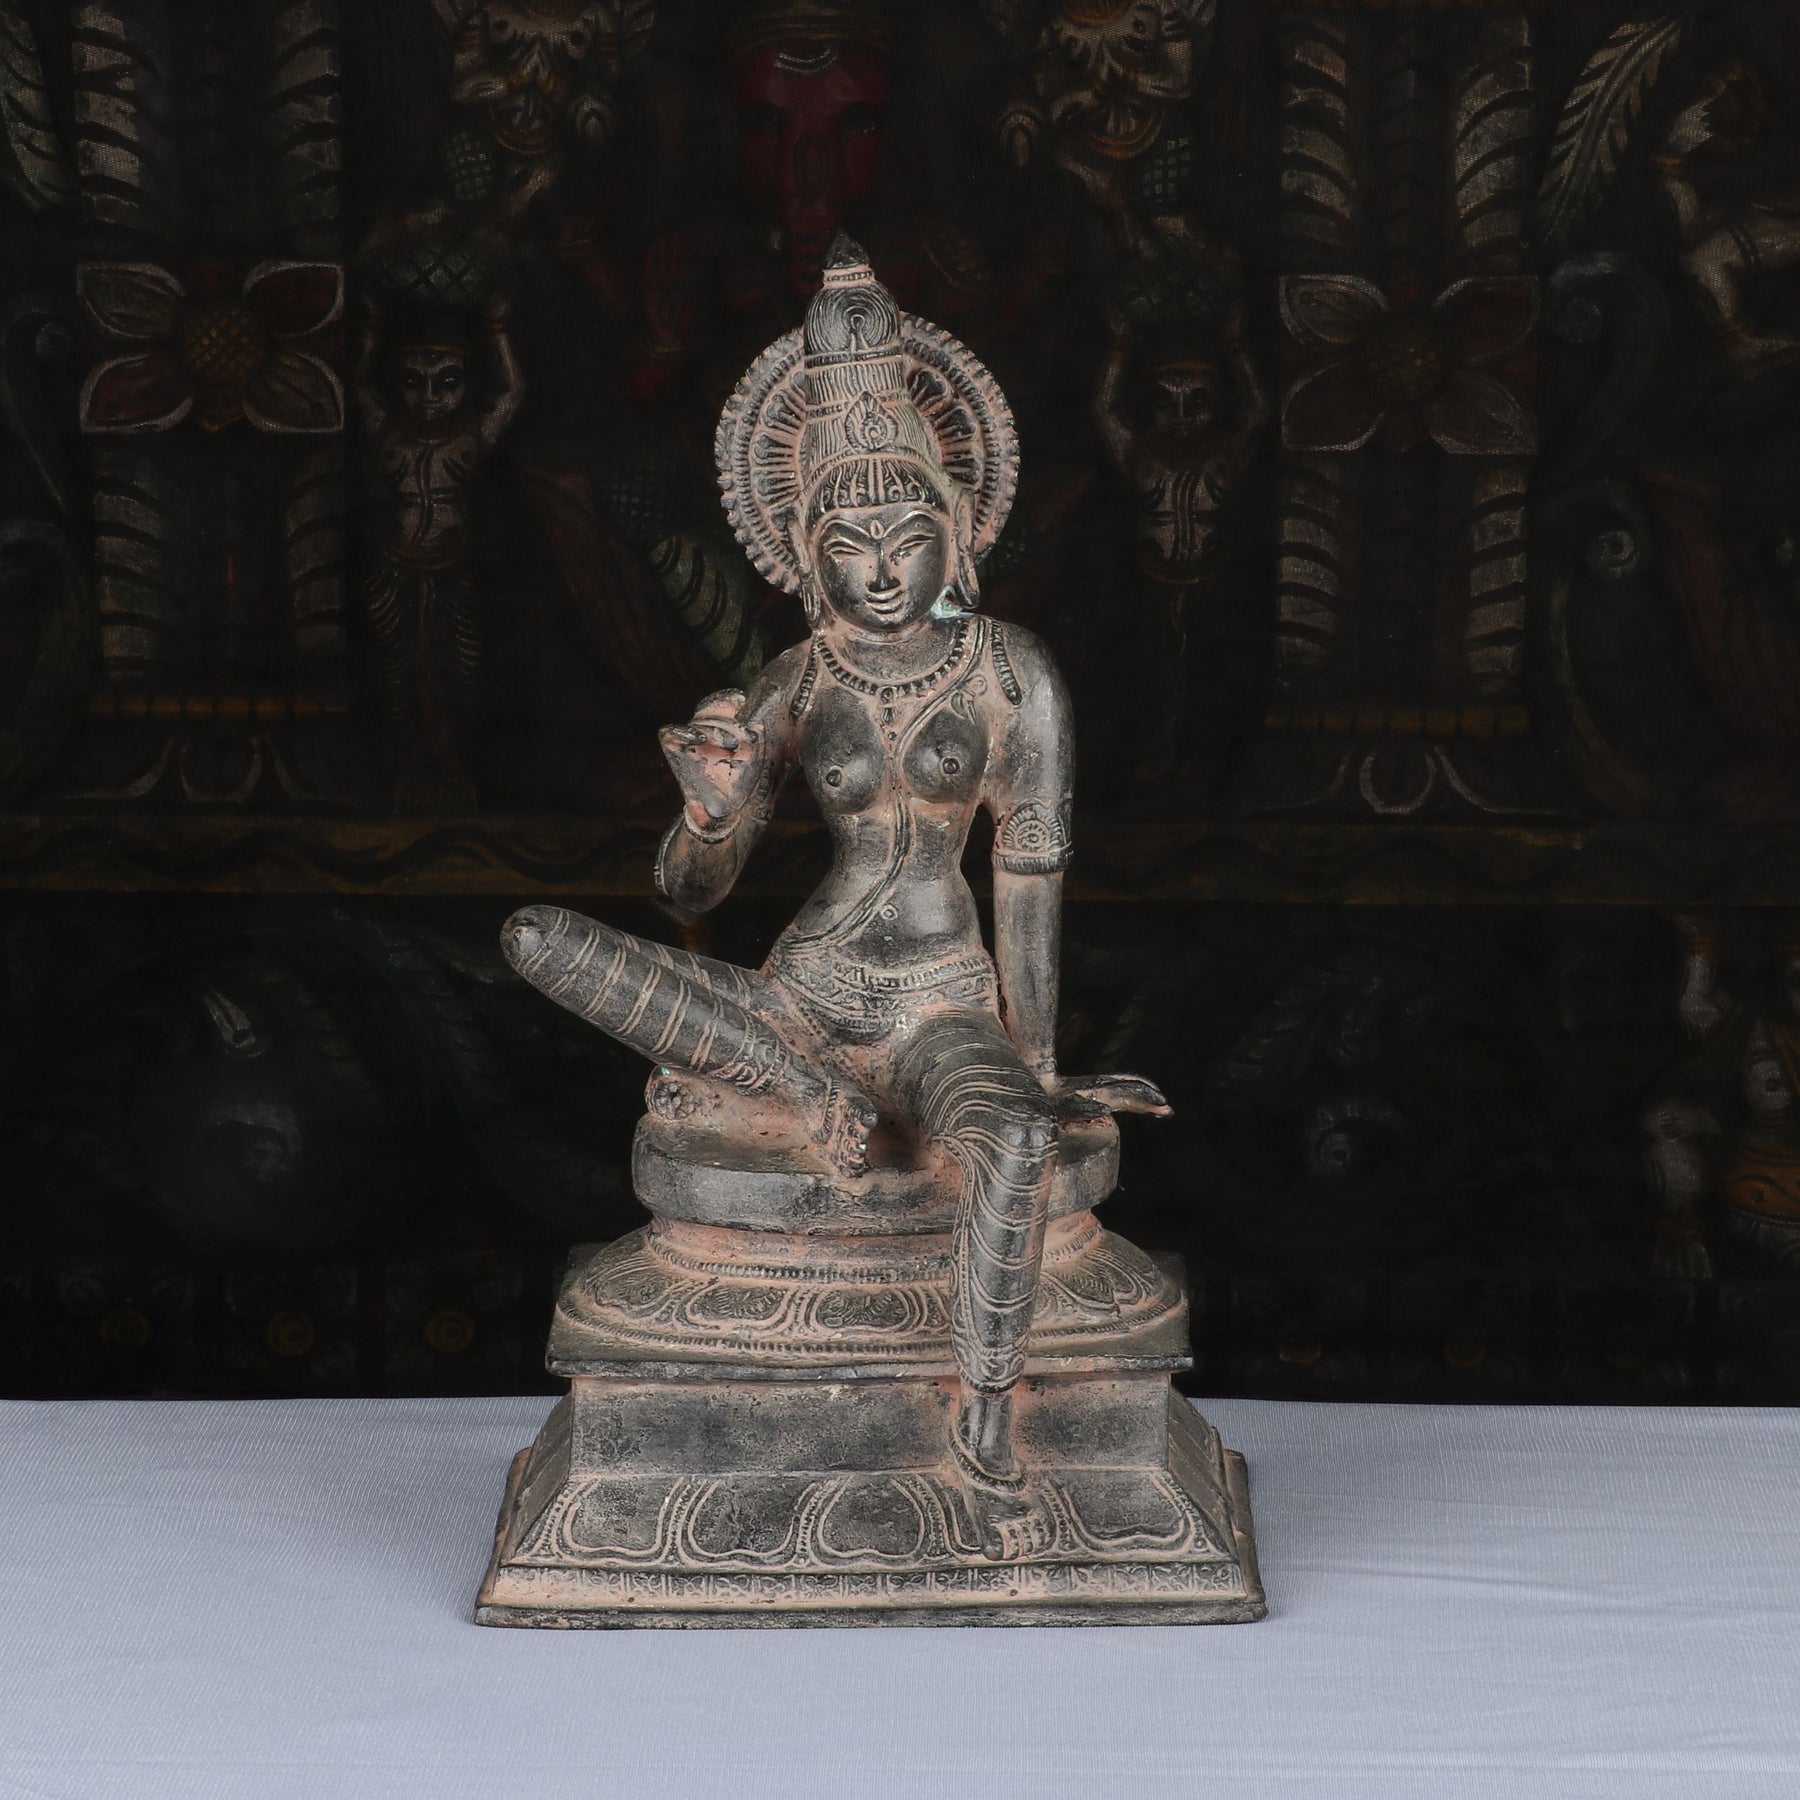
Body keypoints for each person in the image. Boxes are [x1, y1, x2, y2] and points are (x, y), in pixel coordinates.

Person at [502, 236, 1164, 1557]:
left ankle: (983, 1420)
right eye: (848, 545)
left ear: (956, 537)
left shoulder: (1011, 674)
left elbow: (1030, 875)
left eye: (907, 539)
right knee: (537, 937)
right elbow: (691, 886)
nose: (880, 571)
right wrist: (707, 807)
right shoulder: (796, 679)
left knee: (1015, 1148)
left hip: (935, 1012)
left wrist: (1035, 1065)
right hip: (796, 1003)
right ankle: (803, 1089)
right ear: (807, 555)